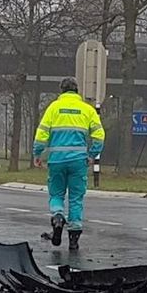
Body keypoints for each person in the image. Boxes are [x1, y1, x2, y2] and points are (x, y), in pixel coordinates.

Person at [33, 77, 105, 250]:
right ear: (77, 90)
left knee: (56, 194)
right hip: (78, 161)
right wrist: (92, 155)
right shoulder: (87, 110)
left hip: (56, 160)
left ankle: (57, 217)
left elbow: (41, 134)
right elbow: (99, 136)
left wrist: (37, 154)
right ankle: (74, 238)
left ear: (61, 91)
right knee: (76, 198)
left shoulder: (54, 108)